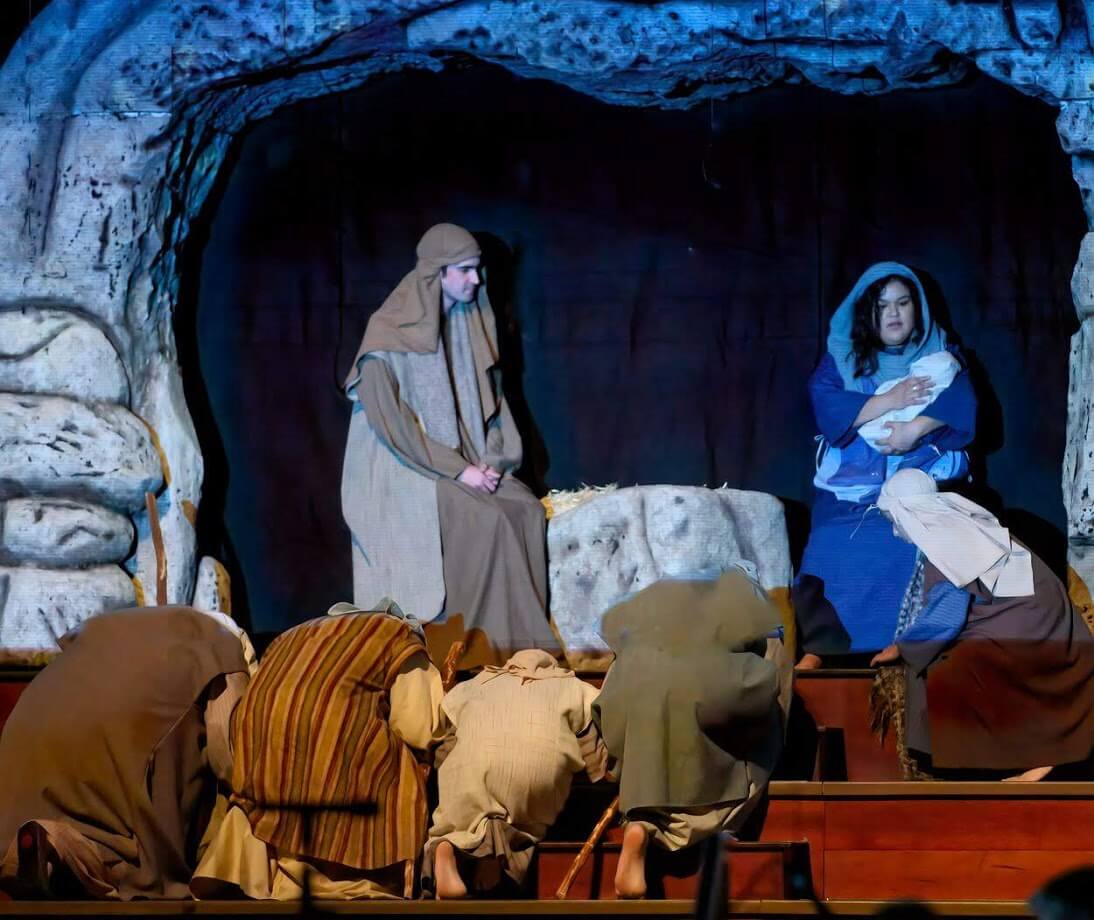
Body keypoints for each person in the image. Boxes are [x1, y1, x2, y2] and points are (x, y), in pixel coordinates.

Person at [341, 223, 556, 667]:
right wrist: (459, 470)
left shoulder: (466, 324)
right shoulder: (387, 336)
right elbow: (393, 428)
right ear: (436, 273)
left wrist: (493, 460)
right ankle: (479, 649)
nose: (476, 280)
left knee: (525, 510)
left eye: (477, 270)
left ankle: (528, 644)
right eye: (465, 271)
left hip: (465, 461)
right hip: (404, 470)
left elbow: (493, 407)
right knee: (486, 520)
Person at [191, 601, 444, 900]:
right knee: (402, 759)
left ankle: (279, 872)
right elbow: (419, 728)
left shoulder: (293, 635)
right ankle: (347, 877)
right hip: (331, 754)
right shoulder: (399, 635)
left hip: (261, 751)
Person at [0, 606, 252, 900]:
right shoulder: (223, 646)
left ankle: (47, 846)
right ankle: (92, 862)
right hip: (112, 749)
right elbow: (230, 757)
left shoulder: (101, 642)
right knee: (129, 848)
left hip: (27, 745)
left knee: (88, 809)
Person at [794, 262, 977, 663]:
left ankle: (909, 641)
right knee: (831, 543)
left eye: (903, 303)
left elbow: (962, 401)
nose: (893, 313)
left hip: (920, 477)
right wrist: (890, 400)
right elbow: (826, 403)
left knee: (926, 541)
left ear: (918, 308)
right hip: (853, 488)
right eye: (882, 306)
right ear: (867, 312)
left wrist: (913, 430)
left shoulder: (941, 354)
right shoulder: (842, 359)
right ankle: (820, 645)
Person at [872, 469, 1094, 780]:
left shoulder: (946, 540)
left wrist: (903, 648)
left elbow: (947, 615)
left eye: (894, 520)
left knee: (953, 668)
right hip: (1036, 622)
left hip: (1032, 628)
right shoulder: (962, 527)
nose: (896, 531)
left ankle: (1007, 761)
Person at [592, 569, 788, 899]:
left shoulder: (649, 614)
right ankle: (718, 827)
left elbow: (604, 705)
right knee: (769, 699)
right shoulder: (738, 596)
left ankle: (642, 823)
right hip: (703, 718)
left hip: (635, 729)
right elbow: (756, 694)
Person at [424, 649, 606, 899]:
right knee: (523, 823)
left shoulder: (474, 685)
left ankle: (448, 843)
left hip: (468, 770)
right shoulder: (576, 688)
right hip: (532, 776)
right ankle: (497, 856)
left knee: (466, 814)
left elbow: (444, 750)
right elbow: (596, 766)